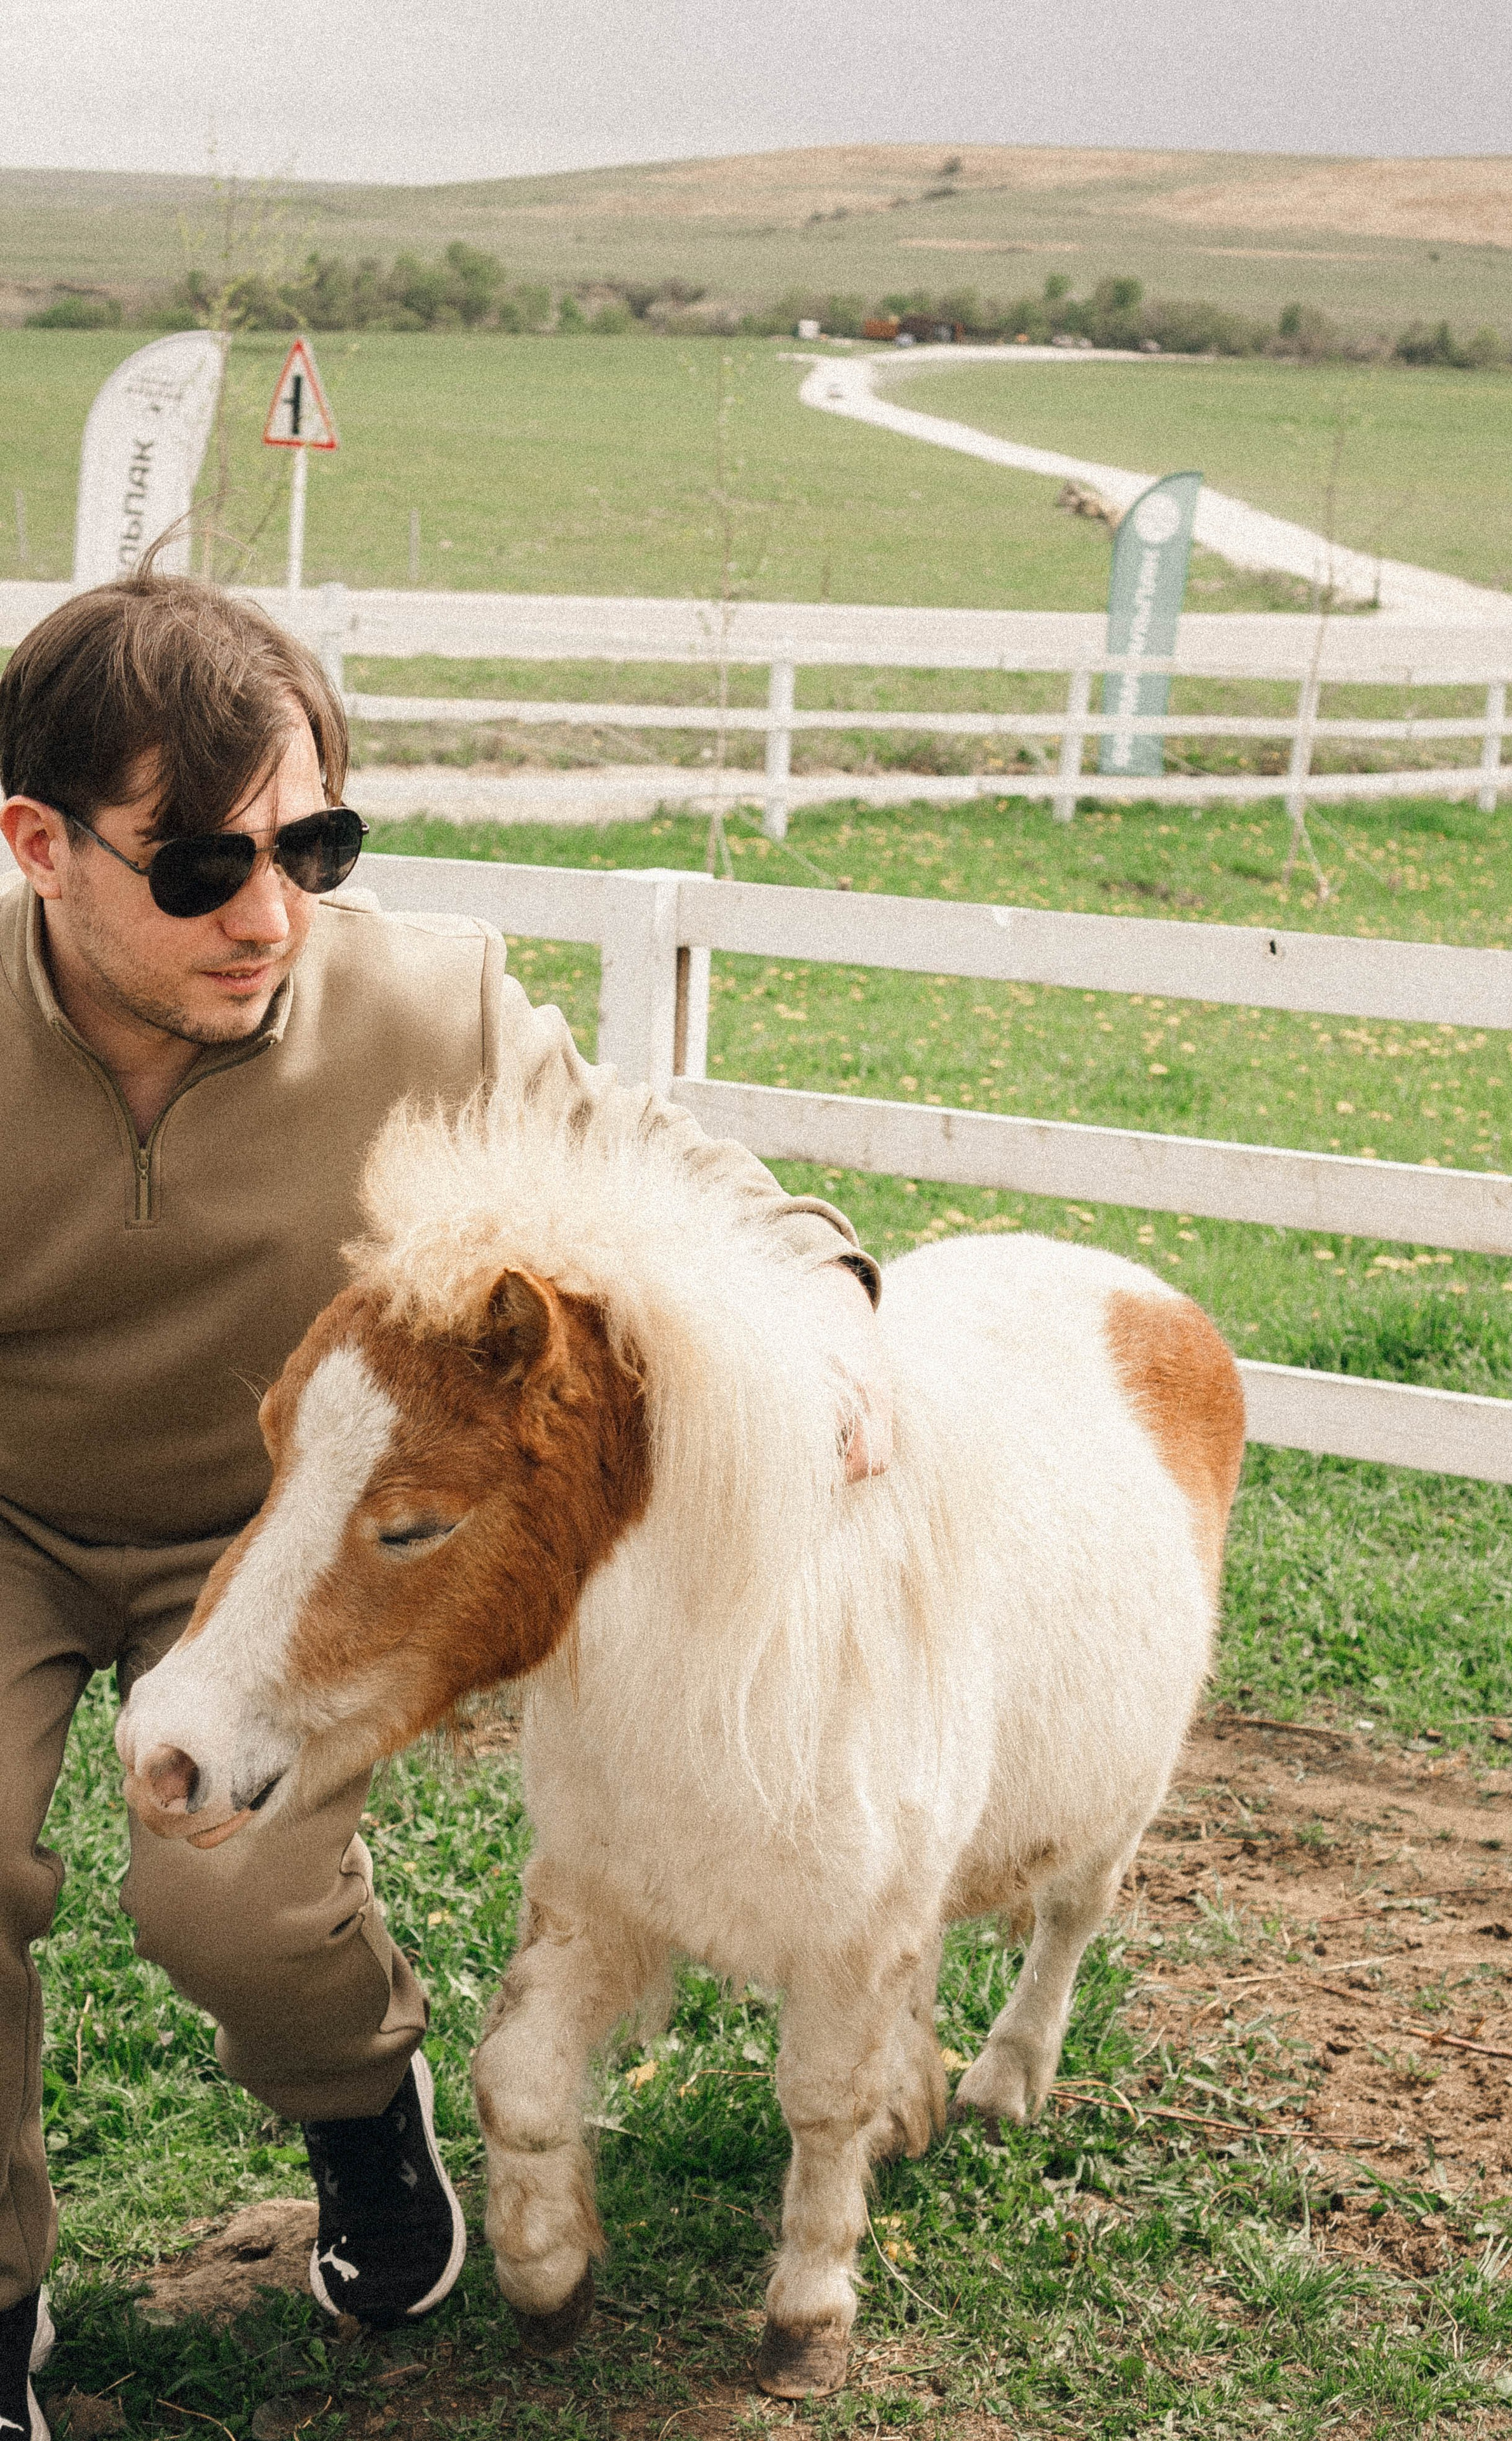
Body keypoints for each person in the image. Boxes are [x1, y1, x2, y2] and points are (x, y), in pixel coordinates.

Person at [0, 571, 890, 2437]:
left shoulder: (421, 999)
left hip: (295, 1542)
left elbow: (646, 1158)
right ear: (36, 845)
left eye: (312, 843)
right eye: (199, 868)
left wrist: (820, 1290)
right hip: (4, 1519)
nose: (271, 914)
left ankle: (359, 2106)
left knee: (228, 1919)